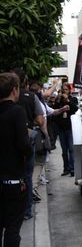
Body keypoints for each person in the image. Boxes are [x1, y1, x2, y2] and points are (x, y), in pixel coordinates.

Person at [0, 72, 32, 247]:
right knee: (12, 229)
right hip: (13, 179)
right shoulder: (16, 111)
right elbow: (23, 145)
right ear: (14, 90)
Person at [12, 68, 45, 220]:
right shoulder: (31, 97)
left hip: (8, 139)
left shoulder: (6, 98)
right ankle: (26, 211)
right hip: (27, 137)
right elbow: (40, 120)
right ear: (25, 81)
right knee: (27, 176)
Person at [53, 83, 78, 176]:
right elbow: (53, 111)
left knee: (71, 149)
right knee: (64, 150)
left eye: (66, 89)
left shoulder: (72, 99)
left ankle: (72, 169)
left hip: (70, 127)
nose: (64, 91)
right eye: (63, 90)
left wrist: (67, 100)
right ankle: (66, 169)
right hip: (61, 128)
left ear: (69, 90)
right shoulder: (59, 100)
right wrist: (58, 100)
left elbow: (76, 109)